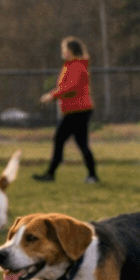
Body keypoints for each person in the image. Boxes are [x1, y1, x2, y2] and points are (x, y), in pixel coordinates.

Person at [34, 36, 99, 183]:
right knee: (77, 142)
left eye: (64, 49)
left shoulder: (77, 65)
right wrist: (55, 95)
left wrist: (52, 95)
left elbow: (71, 87)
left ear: (70, 50)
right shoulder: (71, 65)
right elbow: (66, 87)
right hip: (75, 110)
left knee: (62, 139)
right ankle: (91, 175)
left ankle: (51, 174)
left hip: (78, 110)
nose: (62, 52)